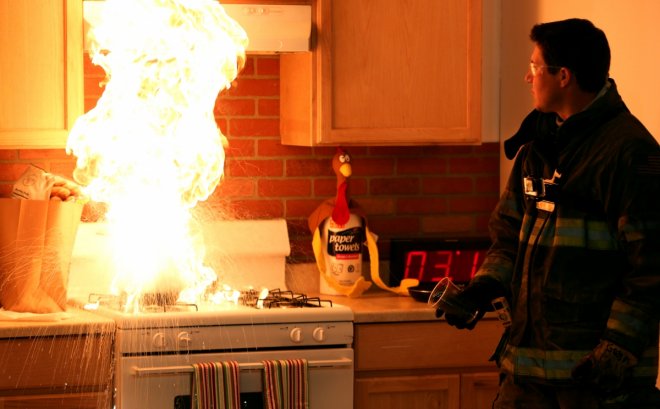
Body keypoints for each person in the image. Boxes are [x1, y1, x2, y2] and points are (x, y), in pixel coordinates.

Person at [438, 18, 660, 408]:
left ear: (563, 76)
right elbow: (508, 238)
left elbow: (651, 266)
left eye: (535, 67)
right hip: (526, 377)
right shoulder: (537, 149)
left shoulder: (632, 155)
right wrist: (482, 289)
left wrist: (618, 348)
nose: (528, 77)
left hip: (595, 383)